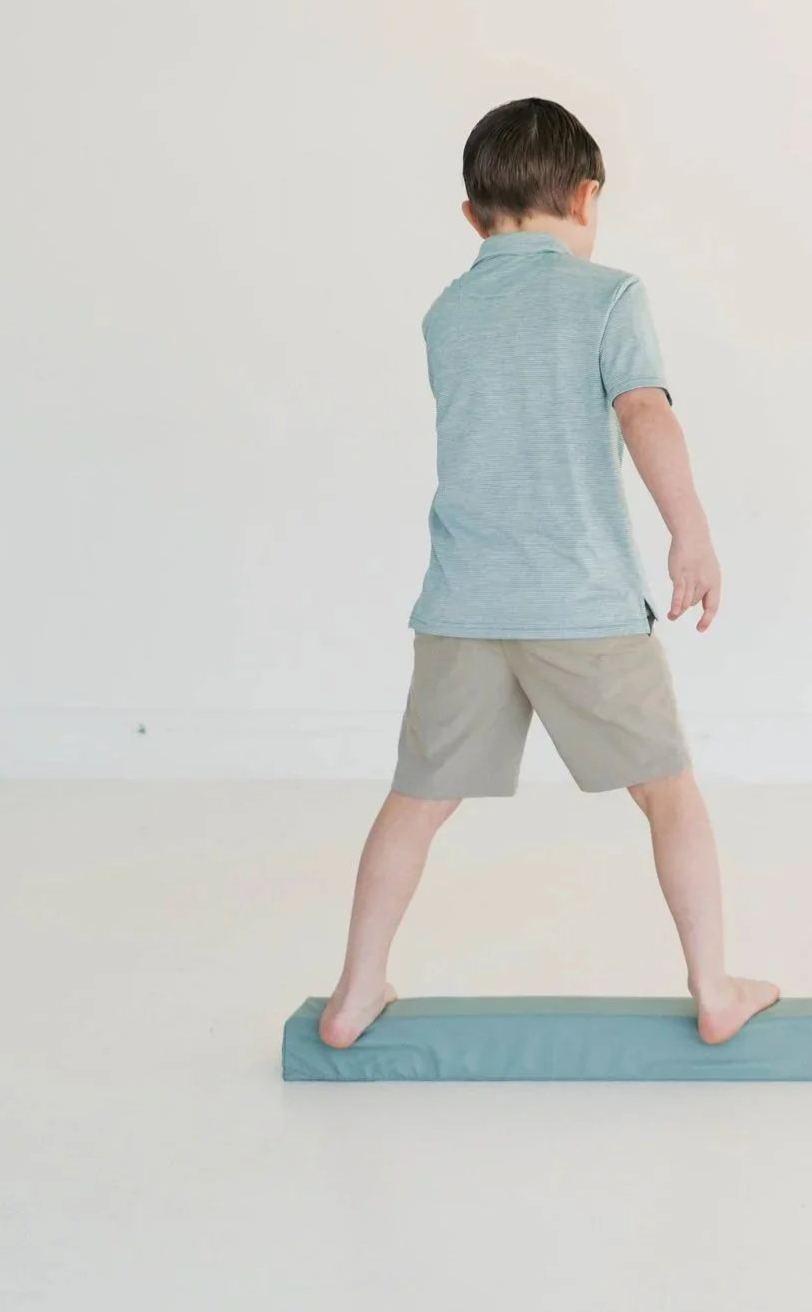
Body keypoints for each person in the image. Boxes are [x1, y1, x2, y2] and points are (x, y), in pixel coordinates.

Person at [318, 98, 779, 1048]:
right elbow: (646, 413)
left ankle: (354, 991)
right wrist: (689, 534)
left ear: (472, 216)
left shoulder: (447, 312)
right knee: (668, 795)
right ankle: (714, 988)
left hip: (463, 607)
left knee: (416, 801)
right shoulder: (608, 295)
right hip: (581, 605)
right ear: (585, 195)